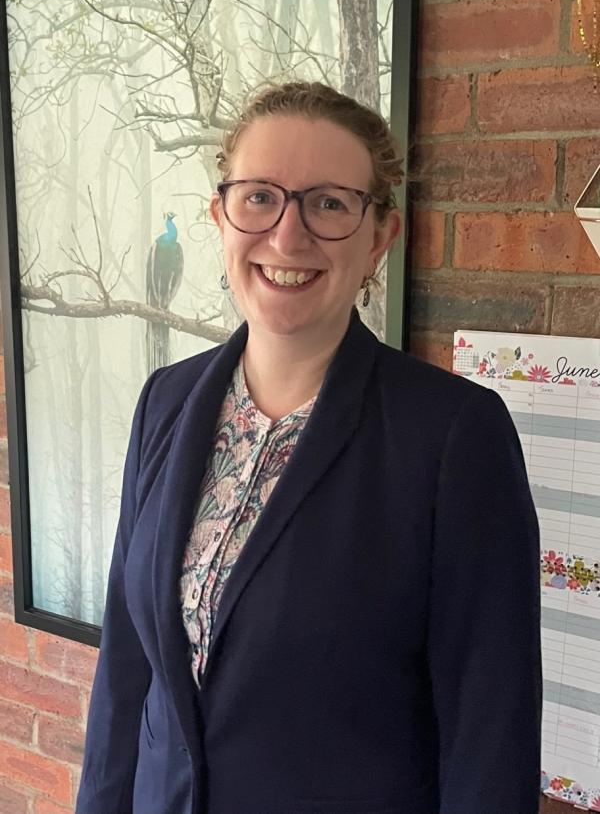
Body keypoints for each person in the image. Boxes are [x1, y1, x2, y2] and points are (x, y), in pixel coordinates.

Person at [75, 81, 541, 814]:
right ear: (220, 217)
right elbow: (127, 677)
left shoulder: (454, 437)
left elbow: (489, 735)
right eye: (259, 197)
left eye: (329, 204)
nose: (287, 238)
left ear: (379, 236)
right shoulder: (164, 403)